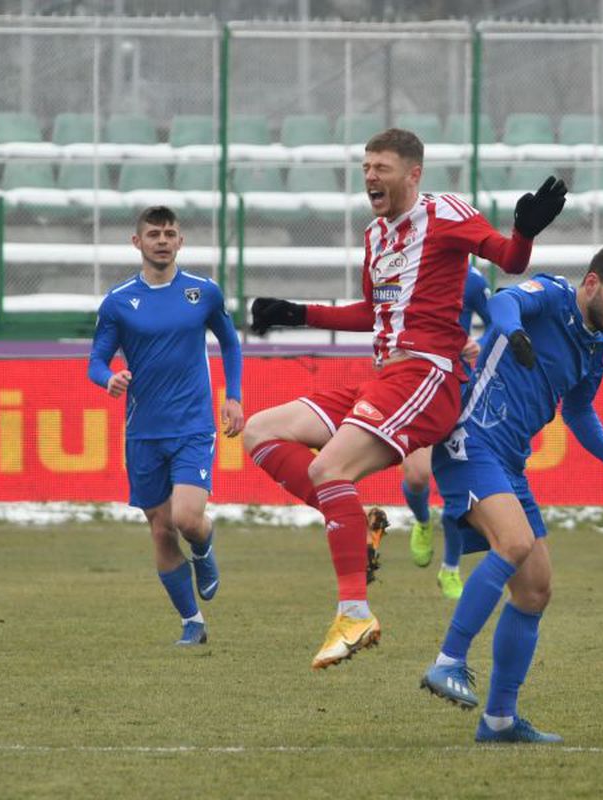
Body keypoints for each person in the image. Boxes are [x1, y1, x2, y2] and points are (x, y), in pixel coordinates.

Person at [241, 128, 567, 670]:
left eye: (382, 167)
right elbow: (371, 313)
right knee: (260, 430)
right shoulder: (375, 236)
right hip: (382, 377)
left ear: (413, 173)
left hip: (428, 378)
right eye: (366, 166)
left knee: (327, 469)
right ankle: (353, 521)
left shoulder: (447, 215)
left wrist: (523, 232)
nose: (370, 175)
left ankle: (353, 612)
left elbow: (508, 260)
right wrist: (299, 312)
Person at [420, 246, 603, 744]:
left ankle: (499, 719)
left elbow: (579, 412)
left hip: (509, 463)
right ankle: (447, 661)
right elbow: (504, 303)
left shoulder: (596, 344)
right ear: (592, 282)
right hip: (471, 438)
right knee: (514, 544)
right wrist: (516, 332)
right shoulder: (551, 295)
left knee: (535, 589)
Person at [87, 205, 244, 645]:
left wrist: (233, 396)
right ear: (137, 242)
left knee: (188, 518)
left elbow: (230, 343)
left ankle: (204, 546)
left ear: (180, 242)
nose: (162, 240)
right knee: (159, 528)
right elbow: (96, 361)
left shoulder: (203, 293)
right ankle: (191, 622)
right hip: (143, 432)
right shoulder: (118, 302)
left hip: (193, 425)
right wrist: (109, 378)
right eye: (154, 233)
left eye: (169, 233)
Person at [402, 264, 491, 600]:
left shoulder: (472, 280)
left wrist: (478, 343)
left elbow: (497, 322)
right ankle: (423, 521)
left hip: (457, 388)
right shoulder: (406, 269)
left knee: (459, 489)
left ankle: (451, 568)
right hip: (414, 383)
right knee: (417, 476)